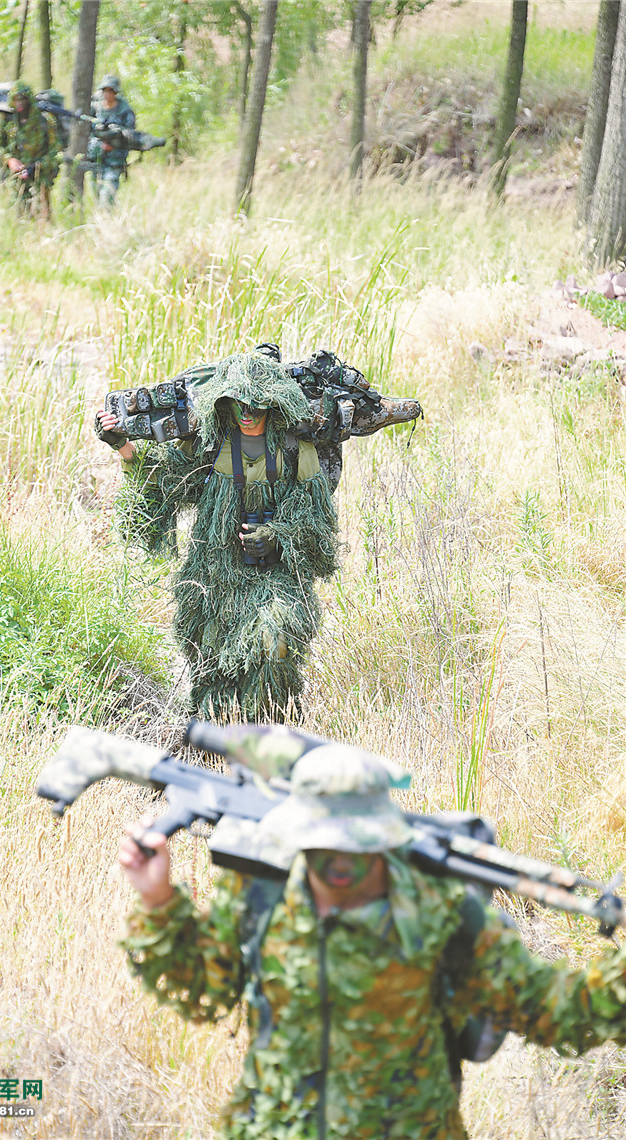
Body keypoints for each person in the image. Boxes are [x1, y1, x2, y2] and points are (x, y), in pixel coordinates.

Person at [118, 742, 626, 1140]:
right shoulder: (261, 893)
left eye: (355, 850)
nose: (338, 866)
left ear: (383, 842)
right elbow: (207, 990)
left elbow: (557, 1009)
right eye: (322, 849)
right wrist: (159, 899)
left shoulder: (444, 914)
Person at [95, 351, 339, 721]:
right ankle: (213, 749)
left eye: (257, 405)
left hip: (276, 579)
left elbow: (319, 526)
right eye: (238, 403)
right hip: (213, 580)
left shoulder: (294, 450)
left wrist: (276, 536)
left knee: (275, 644)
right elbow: (162, 484)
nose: (247, 413)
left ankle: (267, 735)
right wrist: (123, 446)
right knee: (213, 676)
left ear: (273, 406)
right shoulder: (209, 445)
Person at [0, 80, 60, 217]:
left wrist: (37, 166)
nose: (19, 103)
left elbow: (55, 150)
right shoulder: (8, 121)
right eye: (16, 99)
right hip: (16, 176)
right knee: (18, 215)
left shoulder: (45, 121)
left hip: (40, 176)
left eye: (23, 99)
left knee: (42, 215)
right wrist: (10, 160)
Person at [87, 74, 136, 207]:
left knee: (107, 195)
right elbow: (87, 132)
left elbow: (130, 135)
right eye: (105, 90)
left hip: (115, 160)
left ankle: (106, 219)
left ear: (115, 92)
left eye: (110, 91)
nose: (107, 94)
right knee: (96, 193)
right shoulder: (95, 108)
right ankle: (103, 221)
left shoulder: (125, 111)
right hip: (96, 158)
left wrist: (114, 145)